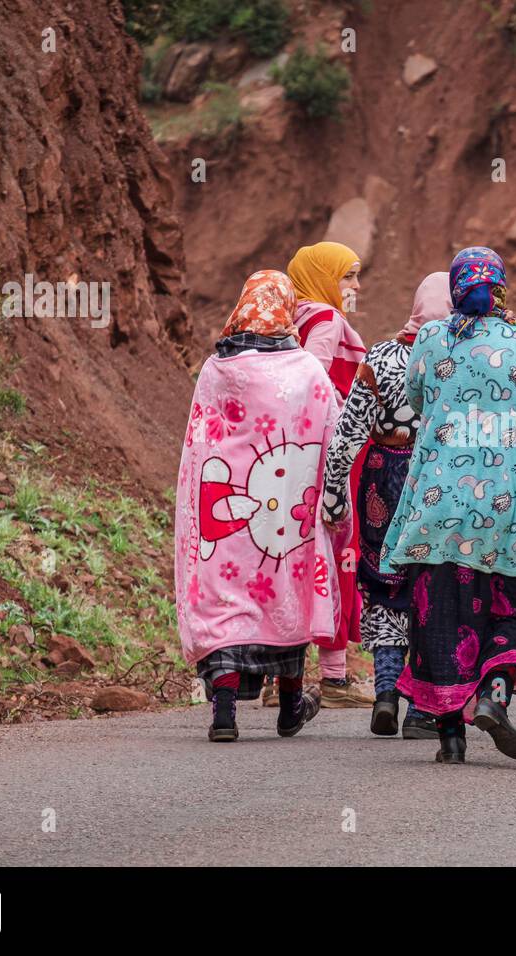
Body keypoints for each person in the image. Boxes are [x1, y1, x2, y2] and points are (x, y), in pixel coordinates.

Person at [382, 247, 516, 765]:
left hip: (436, 508)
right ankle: (495, 693)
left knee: (441, 618)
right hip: (506, 513)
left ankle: (451, 736)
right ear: (500, 288)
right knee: (510, 608)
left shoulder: (429, 339)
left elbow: (418, 399)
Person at [174, 270, 340, 741]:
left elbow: (198, 444)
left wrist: (197, 513)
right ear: (286, 312)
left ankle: (224, 715)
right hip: (286, 520)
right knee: (285, 600)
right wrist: (333, 507)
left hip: (225, 517)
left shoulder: (216, 369)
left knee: (227, 606)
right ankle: (290, 707)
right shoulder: (307, 369)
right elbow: (330, 432)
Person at [321, 272, 451, 740]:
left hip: (384, 481)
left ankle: (385, 693)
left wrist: (335, 497)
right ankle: (422, 708)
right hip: (441, 483)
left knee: (385, 584)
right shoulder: (460, 358)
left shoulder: (382, 356)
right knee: (433, 590)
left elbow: (345, 437)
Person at [280, 240, 374, 709]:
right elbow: (312, 385)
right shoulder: (327, 320)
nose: (355, 287)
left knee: (293, 557)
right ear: (323, 277)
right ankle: (335, 678)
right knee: (339, 552)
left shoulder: (284, 317)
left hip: (286, 456)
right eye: (348, 276)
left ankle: (284, 679)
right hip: (330, 455)